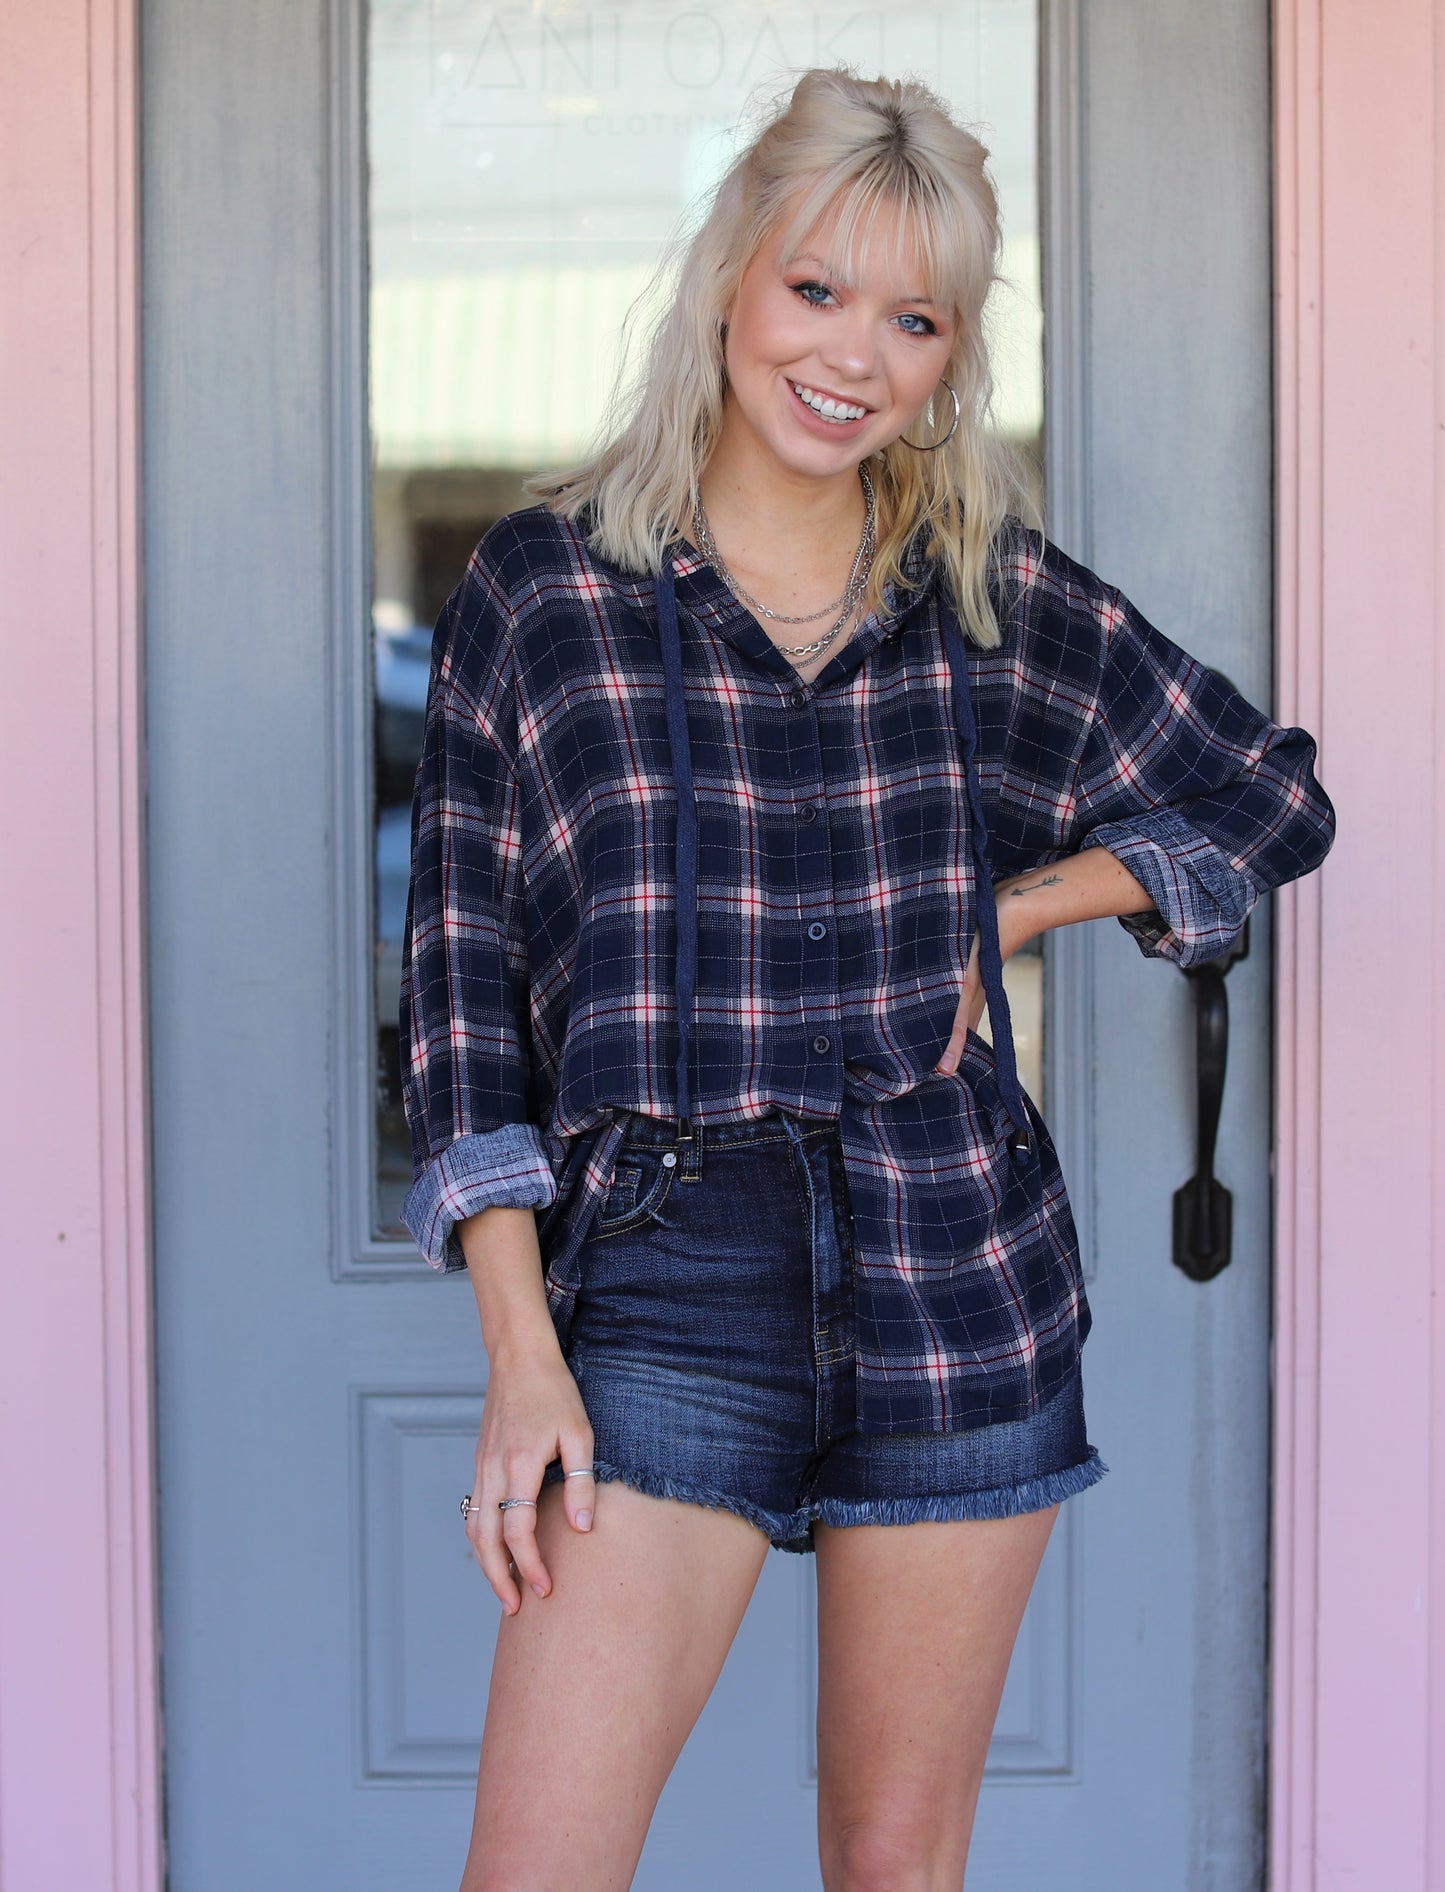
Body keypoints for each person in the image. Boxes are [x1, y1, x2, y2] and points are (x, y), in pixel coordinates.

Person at [398, 65, 1335, 1892]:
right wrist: (521, 1352)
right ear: (731, 279)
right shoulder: (547, 591)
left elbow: (1270, 798)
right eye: (816, 289)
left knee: (895, 1867)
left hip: (953, 1262)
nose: (852, 355)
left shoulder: (986, 595)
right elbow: (460, 995)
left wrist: (1023, 906)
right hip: (667, 1268)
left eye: (914, 319)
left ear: (951, 355)